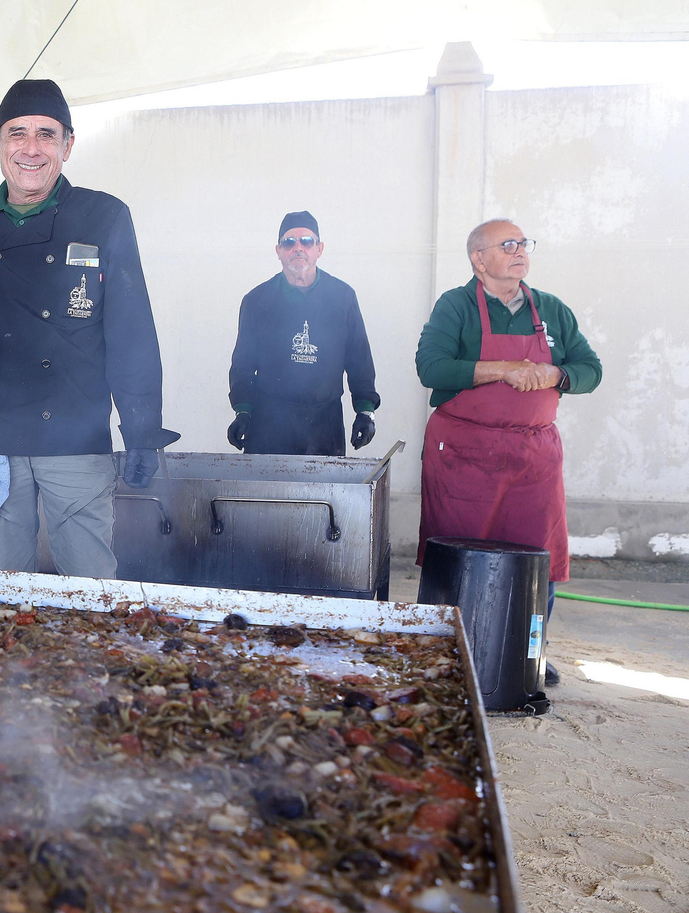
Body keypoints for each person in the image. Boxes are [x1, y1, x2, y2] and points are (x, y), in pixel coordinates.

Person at [0, 79, 179, 578]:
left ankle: (88, 660)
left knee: (90, 587)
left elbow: (131, 329)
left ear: (68, 145)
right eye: (17, 133)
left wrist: (142, 431)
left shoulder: (103, 215)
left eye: (46, 135)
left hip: (76, 438)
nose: (31, 149)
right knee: (1, 589)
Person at [415, 219, 603, 685]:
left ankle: (526, 654)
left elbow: (590, 369)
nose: (521, 251)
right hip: (464, 454)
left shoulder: (552, 310)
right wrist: (504, 368)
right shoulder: (456, 306)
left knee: (538, 559)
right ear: (479, 259)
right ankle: (438, 650)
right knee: (454, 552)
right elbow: (430, 366)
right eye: (508, 244)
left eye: (524, 244)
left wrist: (555, 375)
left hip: (533, 460)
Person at [226, 211, 380, 456]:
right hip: (269, 425)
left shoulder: (343, 297)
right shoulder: (257, 301)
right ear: (278, 251)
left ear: (319, 248)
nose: (298, 248)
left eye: (306, 241)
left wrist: (365, 411)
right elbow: (242, 365)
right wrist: (243, 411)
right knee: (266, 494)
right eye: (289, 242)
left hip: (324, 424)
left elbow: (359, 359)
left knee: (322, 495)